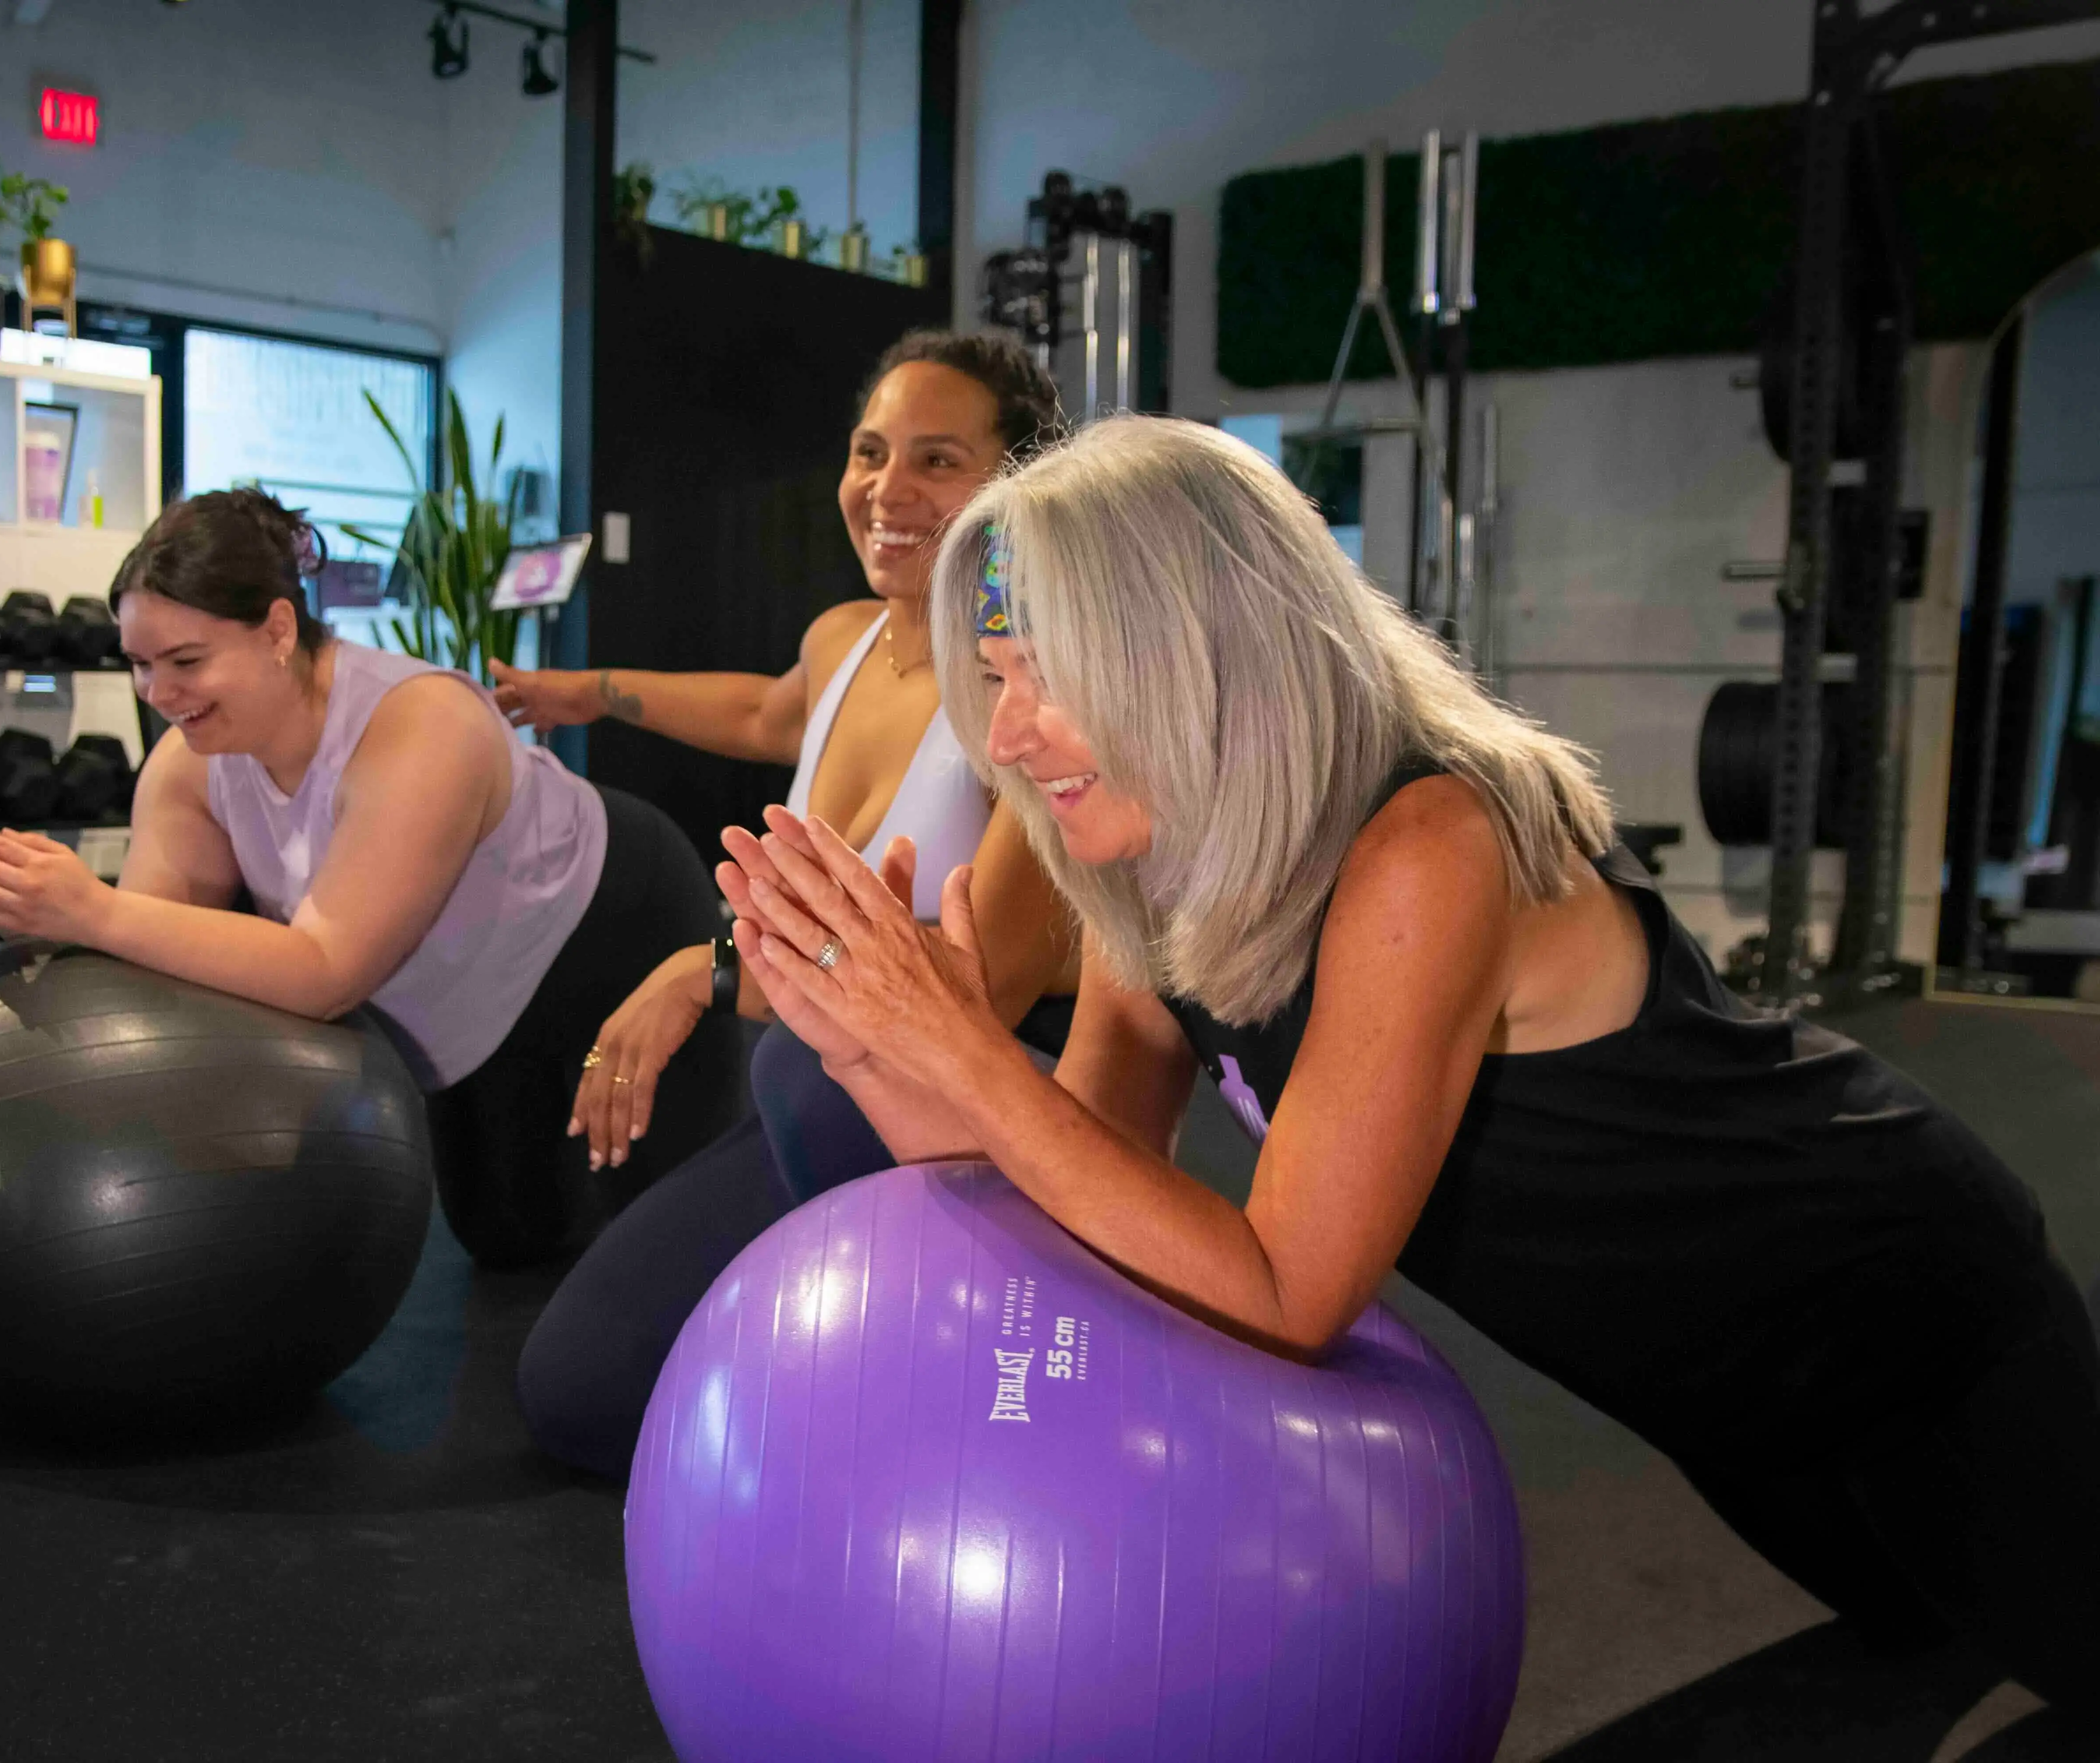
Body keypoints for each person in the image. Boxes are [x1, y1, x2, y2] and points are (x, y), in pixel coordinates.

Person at [721, 414, 2100, 1715]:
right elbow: (1074, 1214)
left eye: (1046, 678)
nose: (1005, 735)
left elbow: (1287, 1293)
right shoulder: (1158, 863)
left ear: (1191, 653)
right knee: (1907, 1660)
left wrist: (968, 1056)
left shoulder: (1425, 843)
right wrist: (882, 1054)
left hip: (1913, 1315)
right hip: (1725, 1392)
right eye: (1000, 682)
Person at [497, 331, 1081, 1477]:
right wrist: (591, 694)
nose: (887, 490)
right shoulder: (846, 638)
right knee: (576, 1385)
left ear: (1017, 482)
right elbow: (771, 715)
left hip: (962, 1129)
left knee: (606, 1391)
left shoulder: (1038, 697)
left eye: (938, 460)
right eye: (870, 453)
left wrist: (712, 970)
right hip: (813, 1092)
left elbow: (981, 988)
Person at [0, 487, 744, 1269]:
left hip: (609, 932)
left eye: (186, 660)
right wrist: (26, 906)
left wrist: (90, 910)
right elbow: (151, 964)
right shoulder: (189, 767)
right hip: (467, 998)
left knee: (674, 1239)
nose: (160, 695)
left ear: (278, 629)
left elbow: (324, 972)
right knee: (511, 1241)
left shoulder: (421, 725)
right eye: (140, 665)